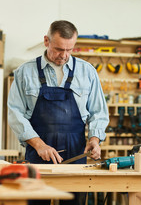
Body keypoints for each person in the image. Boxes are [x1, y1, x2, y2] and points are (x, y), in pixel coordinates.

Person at [8, 20, 109, 205]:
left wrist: (94, 139)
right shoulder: (25, 72)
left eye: (69, 50)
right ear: (46, 41)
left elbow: (99, 113)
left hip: (76, 155)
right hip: (38, 154)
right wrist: (39, 145)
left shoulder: (87, 72)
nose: (63, 56)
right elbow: (15, 113)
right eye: (58, 49)